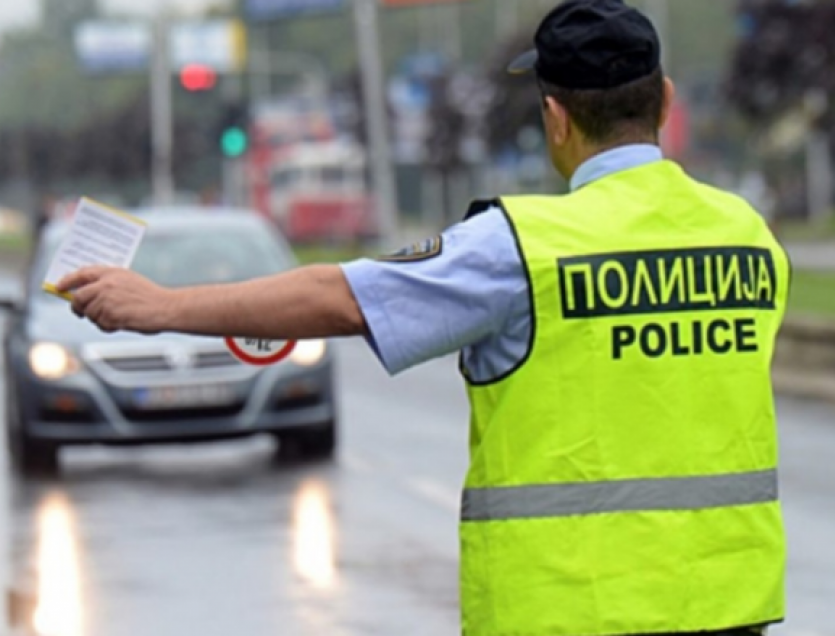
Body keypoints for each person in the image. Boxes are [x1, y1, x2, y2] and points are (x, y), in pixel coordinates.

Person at [57, 1, 791, 635]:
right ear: (663, 102)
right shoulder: (748, 236)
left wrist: (163, 306)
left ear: (555, 117)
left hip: (574, 609)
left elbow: (342, 296)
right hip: (726, 604)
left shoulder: (522, 249)